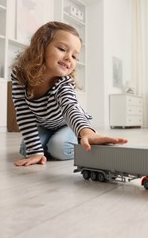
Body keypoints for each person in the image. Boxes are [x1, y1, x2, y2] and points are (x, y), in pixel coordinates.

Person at [11, 21, 127, 167]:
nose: (69, 58)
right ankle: (48, 144)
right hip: (46, 124)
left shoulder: (63, 83)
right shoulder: (20, 74)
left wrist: (86, 132)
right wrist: (35, 151)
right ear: (41, 46)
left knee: (59, 148)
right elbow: (23, 112)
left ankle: (81, 138)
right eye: (62, 49)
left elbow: (69, 107)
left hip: (69, 124)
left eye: (74, 57)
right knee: (27, 149)